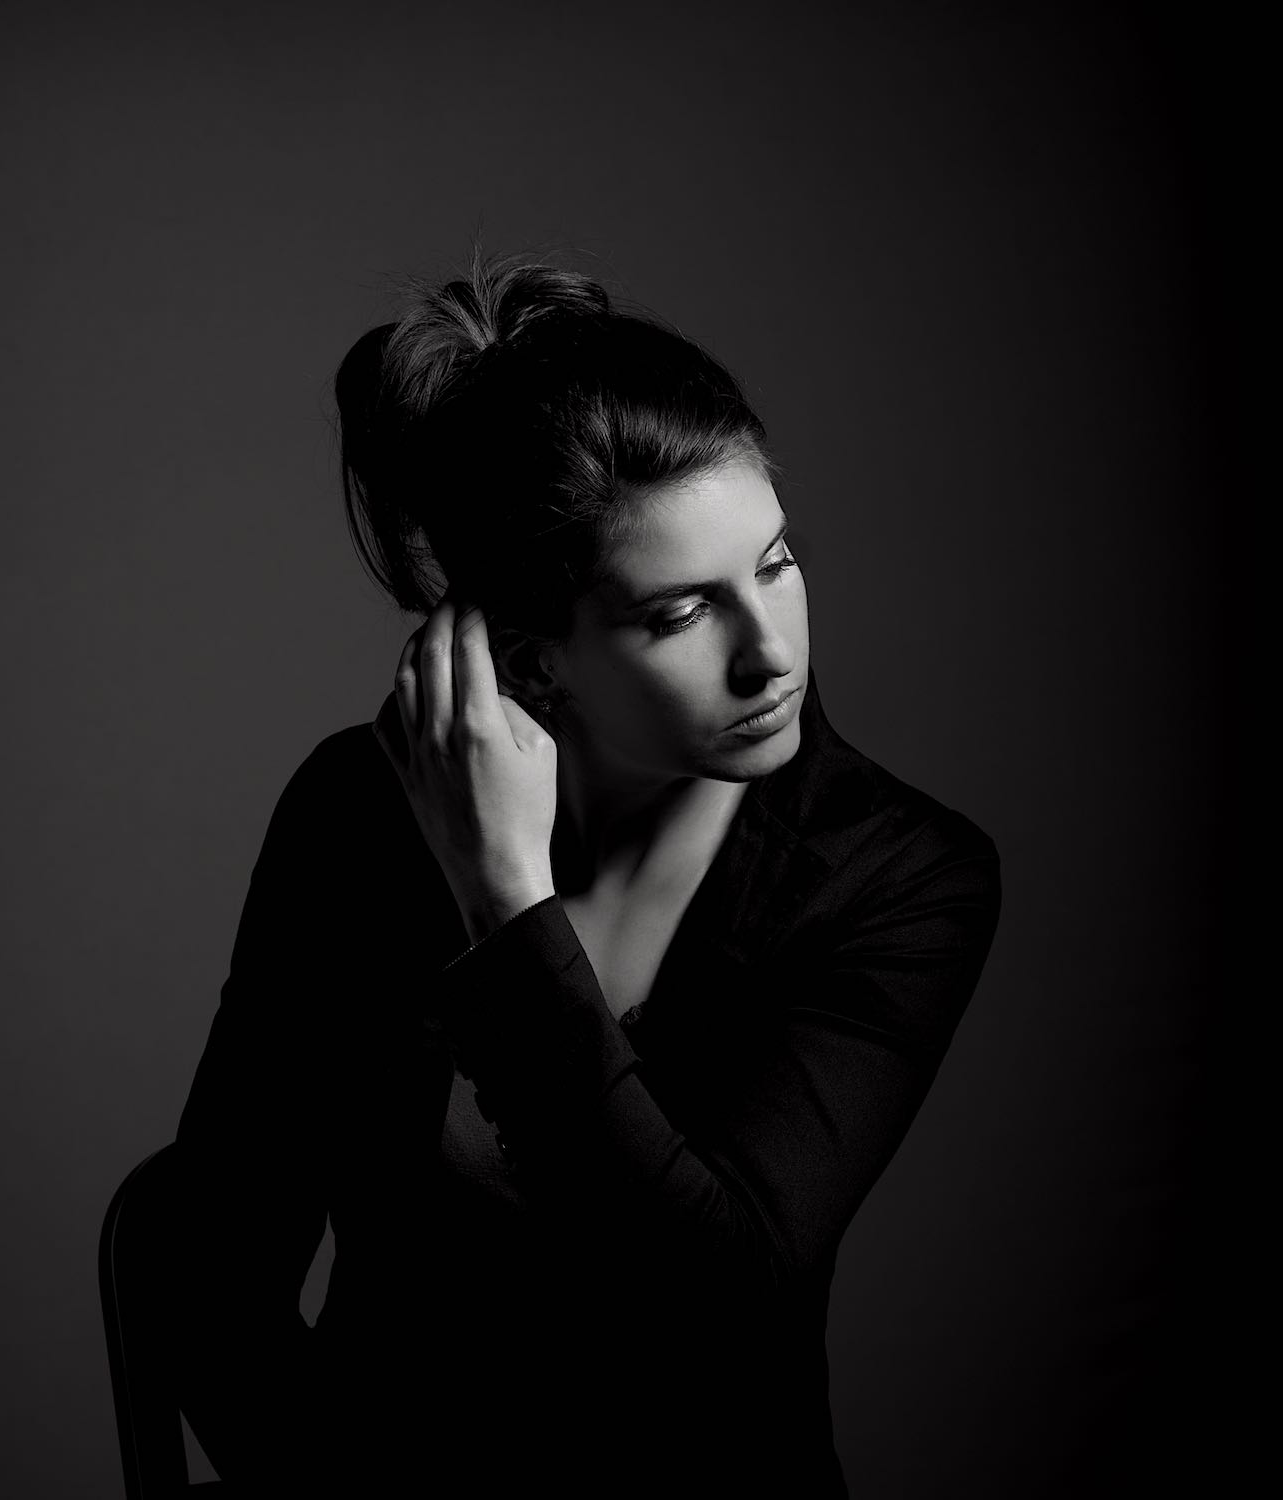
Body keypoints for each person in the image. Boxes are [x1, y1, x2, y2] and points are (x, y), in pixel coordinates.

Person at [168, 247, 1002, 1496]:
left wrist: (506, 902)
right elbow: (210, 1273)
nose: (771, 652)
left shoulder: (898, 876)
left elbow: (715, 1303)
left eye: (776, 563)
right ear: (531, 660)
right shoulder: (357, 817)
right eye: (681, 613)